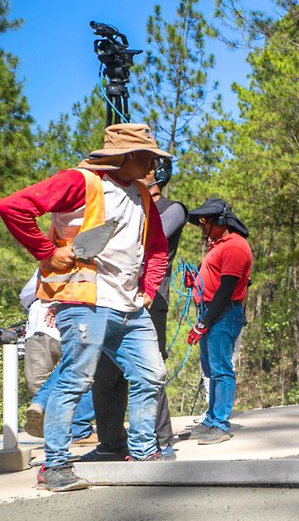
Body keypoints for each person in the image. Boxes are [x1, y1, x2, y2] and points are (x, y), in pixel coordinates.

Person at [0, 123, 170, 491]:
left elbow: (157, 247)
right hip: (85, 300)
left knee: (151, 375)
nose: (154, 164)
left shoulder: (142, 194)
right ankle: (55, 466)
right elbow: (13, 207)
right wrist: (47, 252)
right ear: (125, 156)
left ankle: (144, 455)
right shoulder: (80, 181)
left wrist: (149, 289)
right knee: (75, 378)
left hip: (130, 306)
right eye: (148, 156)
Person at [84, 165, 187, 461]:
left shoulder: (172, 209)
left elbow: (144, 243)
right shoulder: (120, 203)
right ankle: (112, 443)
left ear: (157, 174)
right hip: (110, 297)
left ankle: (160, 441)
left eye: (146, 165)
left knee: (148, 371)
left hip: (149, 299)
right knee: (105, 374)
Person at [185, 198, 253, 445]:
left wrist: (204, 322)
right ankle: (211, 419)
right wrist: (195, 281)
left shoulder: (235, 246)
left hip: (223, 313)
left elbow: (226, 290)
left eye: (206, 222)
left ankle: (220, 424)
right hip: (212, 311)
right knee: (211, 368)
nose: (202, 227)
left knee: (221, 368)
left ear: (222, 221)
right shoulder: (219, 246)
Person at [19, 271, 96, 444]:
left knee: (40, 382)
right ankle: (74, 427)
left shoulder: (47, 267)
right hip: (74, 322)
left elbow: (26, 295)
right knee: (84, 374)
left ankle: (48, 417)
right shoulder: (85, 265)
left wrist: (41, 301)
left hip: (41, 326)